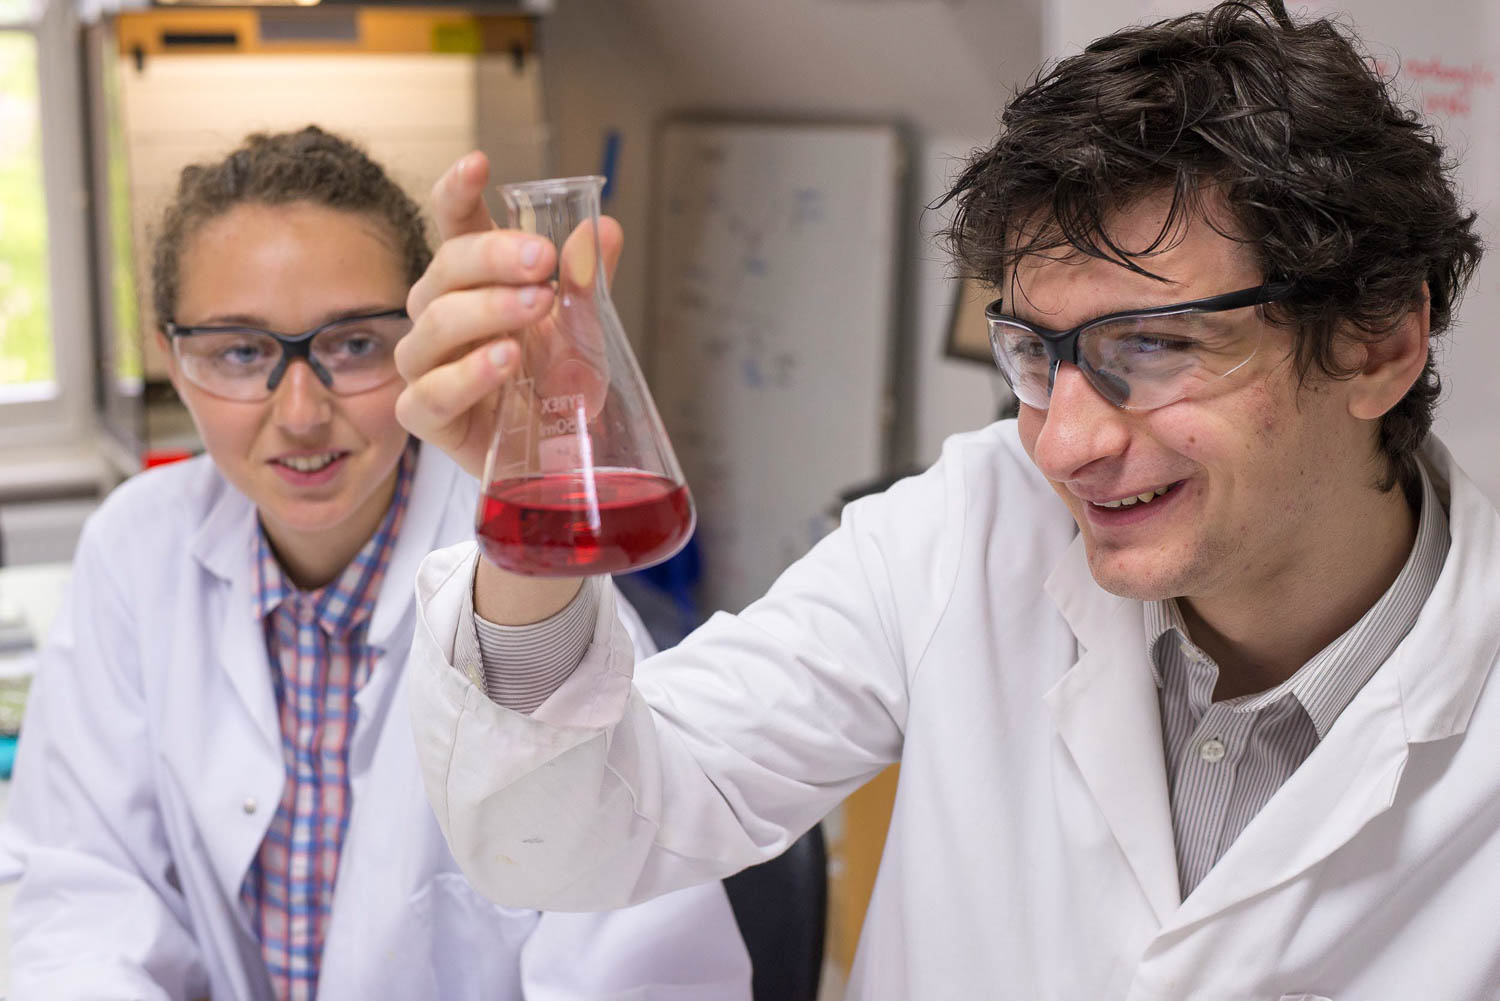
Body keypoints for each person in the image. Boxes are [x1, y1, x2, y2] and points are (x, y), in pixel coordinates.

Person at [396, 2, 1497, 998]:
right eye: (1033, 352)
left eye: (1154, 346)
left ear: (1379, 341)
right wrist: (532, 489)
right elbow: (573, 837)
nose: (1064, 442)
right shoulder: (969, 528)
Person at [0, 126, 751, 1001]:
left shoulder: (531, 599)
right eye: (241, 353)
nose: (302, 411)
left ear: (430, 339)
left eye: (354, 344)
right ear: (173, 357)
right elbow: (79, 886)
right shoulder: (137, 548)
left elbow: (644, 970)